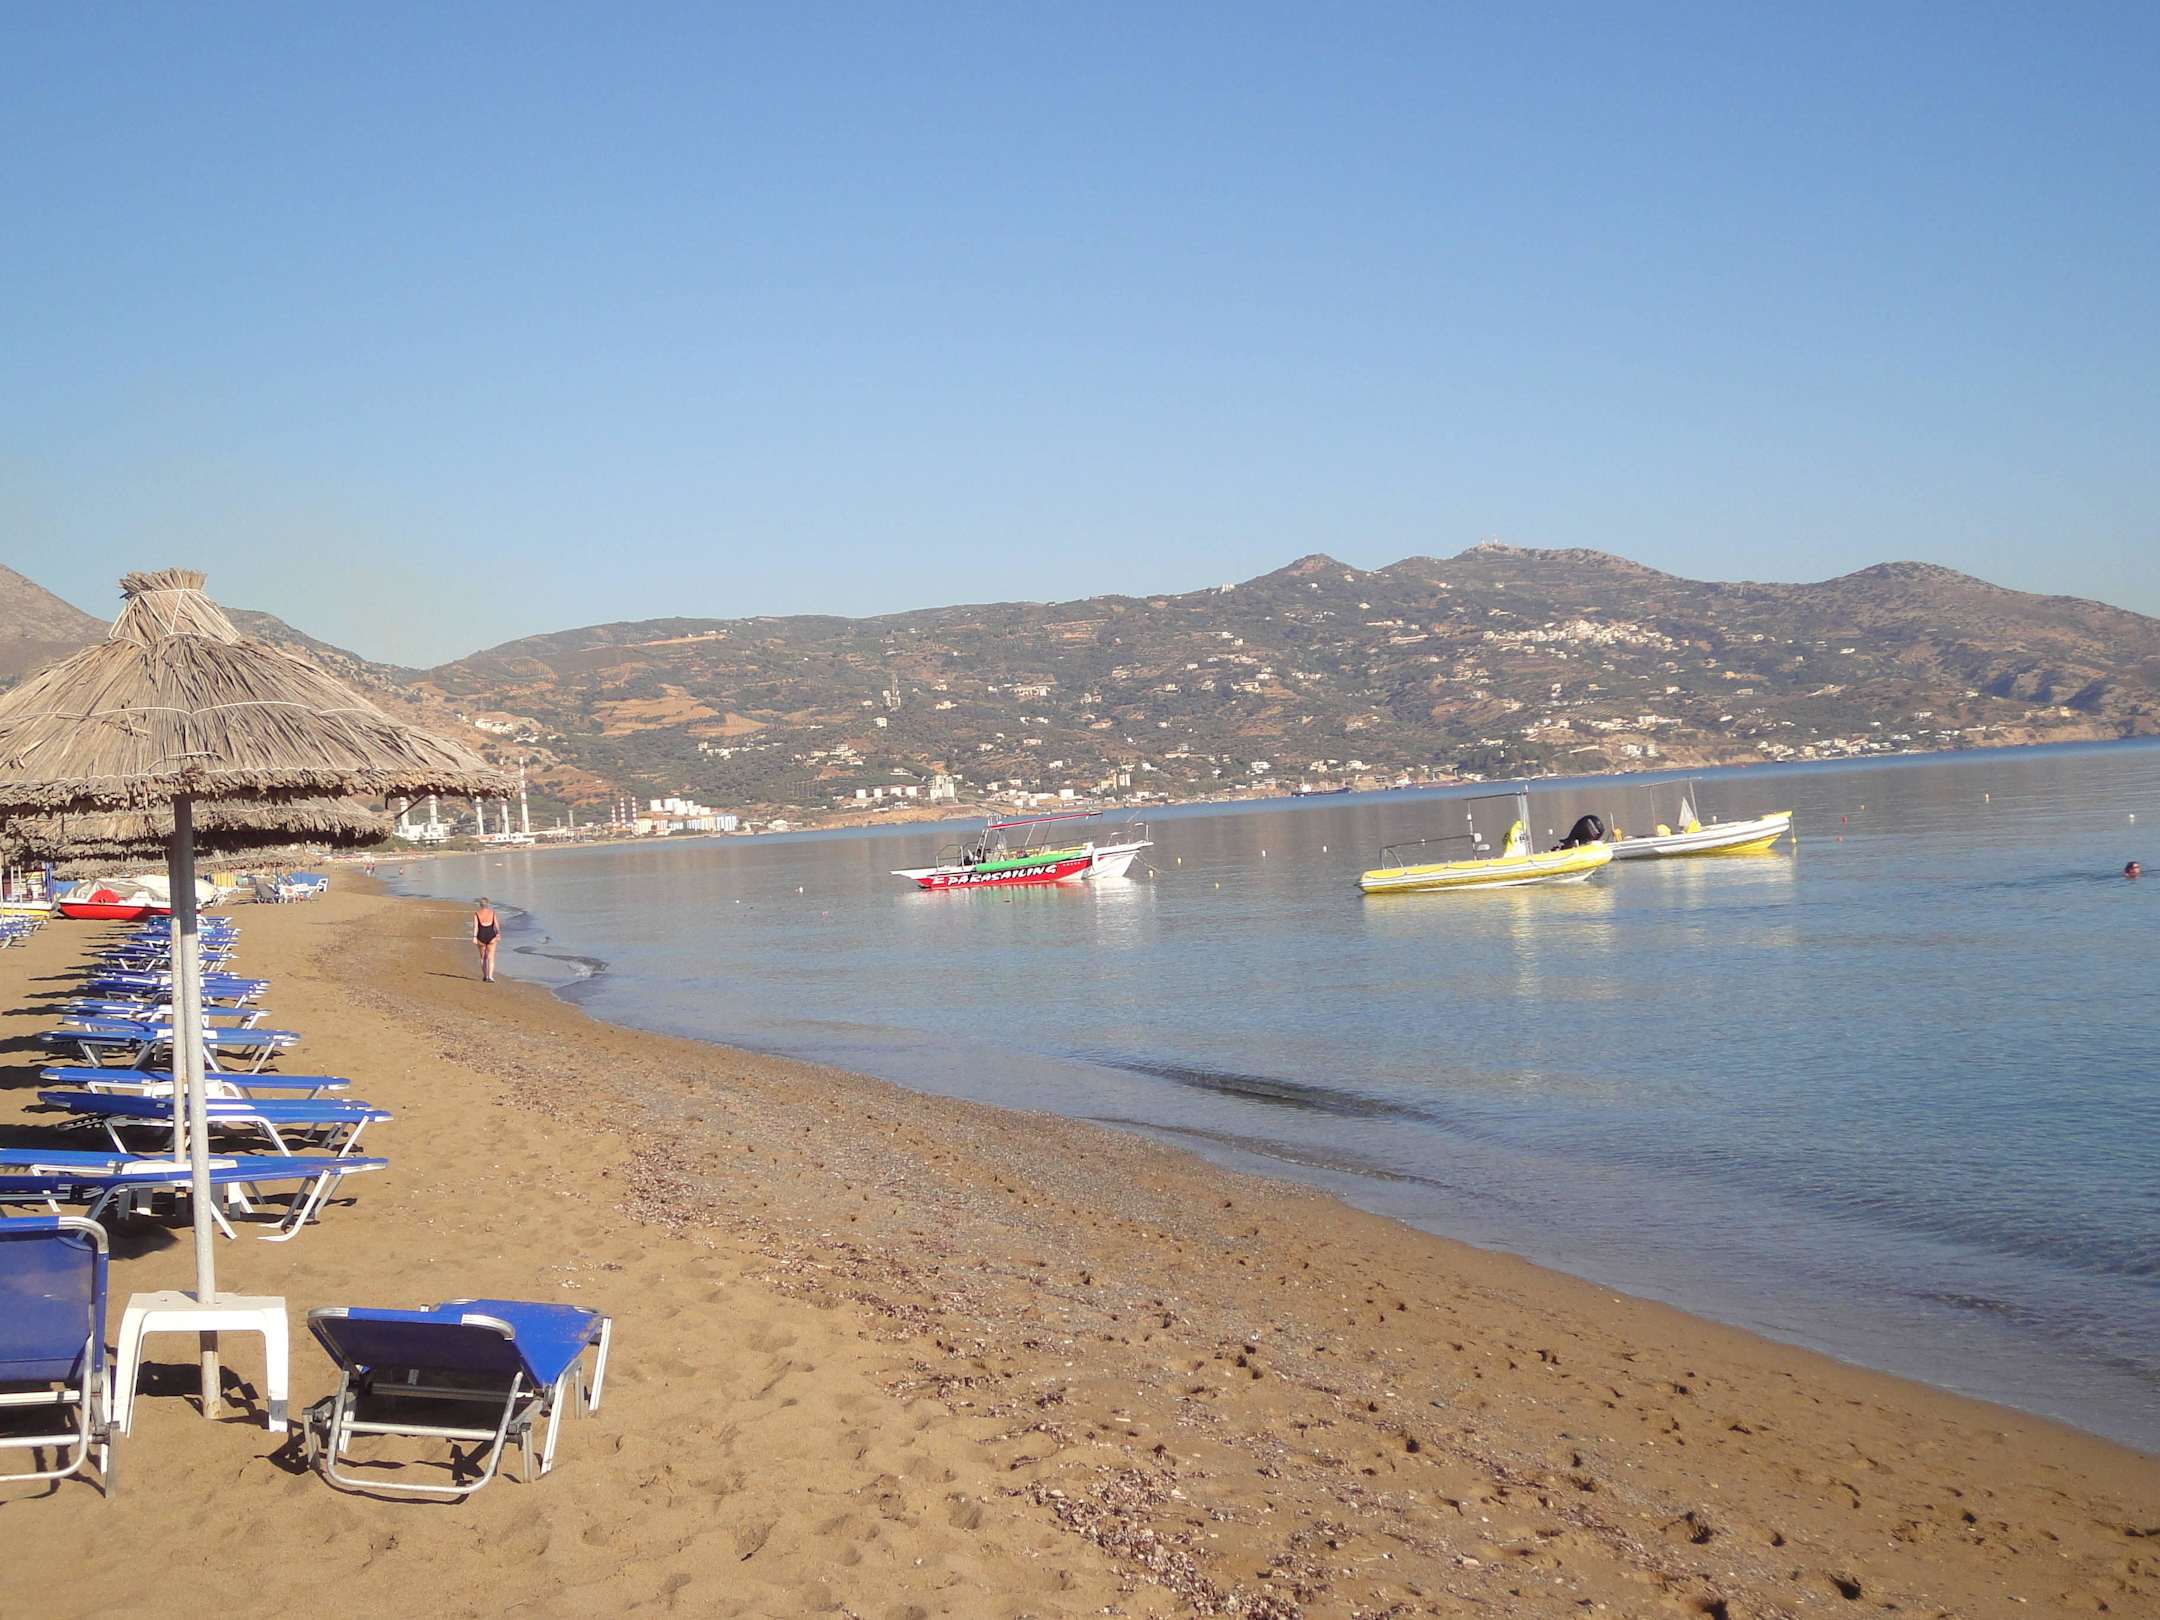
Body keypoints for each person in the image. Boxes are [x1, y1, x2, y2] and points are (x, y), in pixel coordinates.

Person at [473, 897, 501, 981]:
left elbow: (476, 927)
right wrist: (498, 934)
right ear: (488, 904)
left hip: (481, 935)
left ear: (480, 905)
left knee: (483, 957)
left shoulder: (477, 914)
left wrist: (474, 937)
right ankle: (490, 976)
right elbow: (496, 925)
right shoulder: (492, 913)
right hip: (491, 935)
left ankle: (485, 976)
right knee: (491, 957)